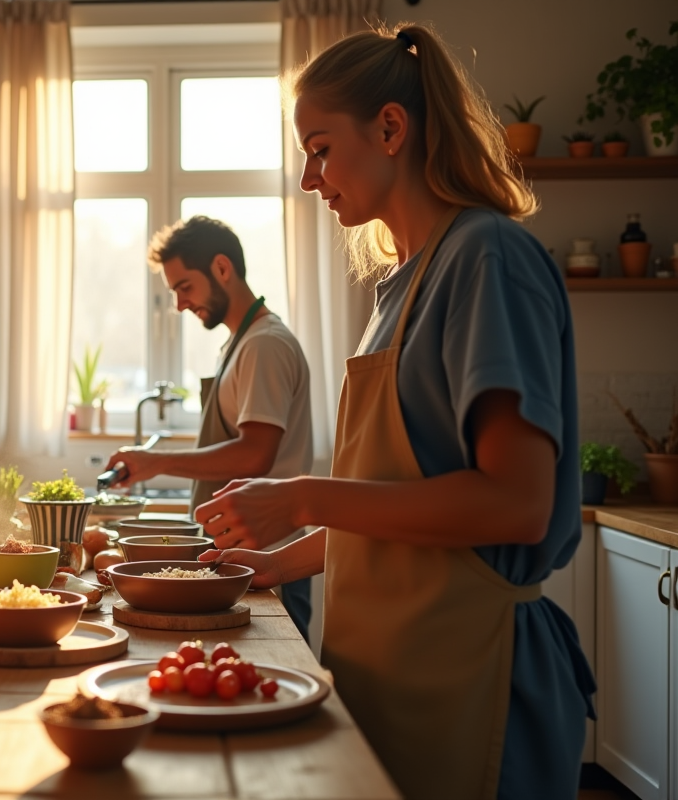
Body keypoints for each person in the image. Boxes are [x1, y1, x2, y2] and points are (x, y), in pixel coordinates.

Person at [192, 25, 596, 800]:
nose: (310, 178)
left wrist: (301, 498)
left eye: (319, 148)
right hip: (397, 672)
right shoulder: (402, 284)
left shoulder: (486, 258)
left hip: (473, 677)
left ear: (389, 129)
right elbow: (401, 505)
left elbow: (515, 503)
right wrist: (284, 560)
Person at [107, 216, 315, 641]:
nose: (181, 305)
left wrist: (153, 463)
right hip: (250, 554)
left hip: (271, 557)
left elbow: (255, 453)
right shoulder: (239, 344)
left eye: (185, 287)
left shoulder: (264, 345)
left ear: (222, 268)